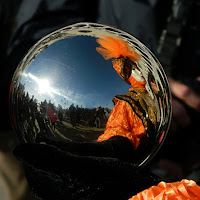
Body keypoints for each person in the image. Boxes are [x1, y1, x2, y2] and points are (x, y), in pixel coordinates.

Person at [96, 36, 157, 150]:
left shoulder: (153, 91)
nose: (139, 72)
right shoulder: (126, 102)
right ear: (128, 75)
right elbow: (116, 129)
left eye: (139, 68)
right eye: (134, 69)